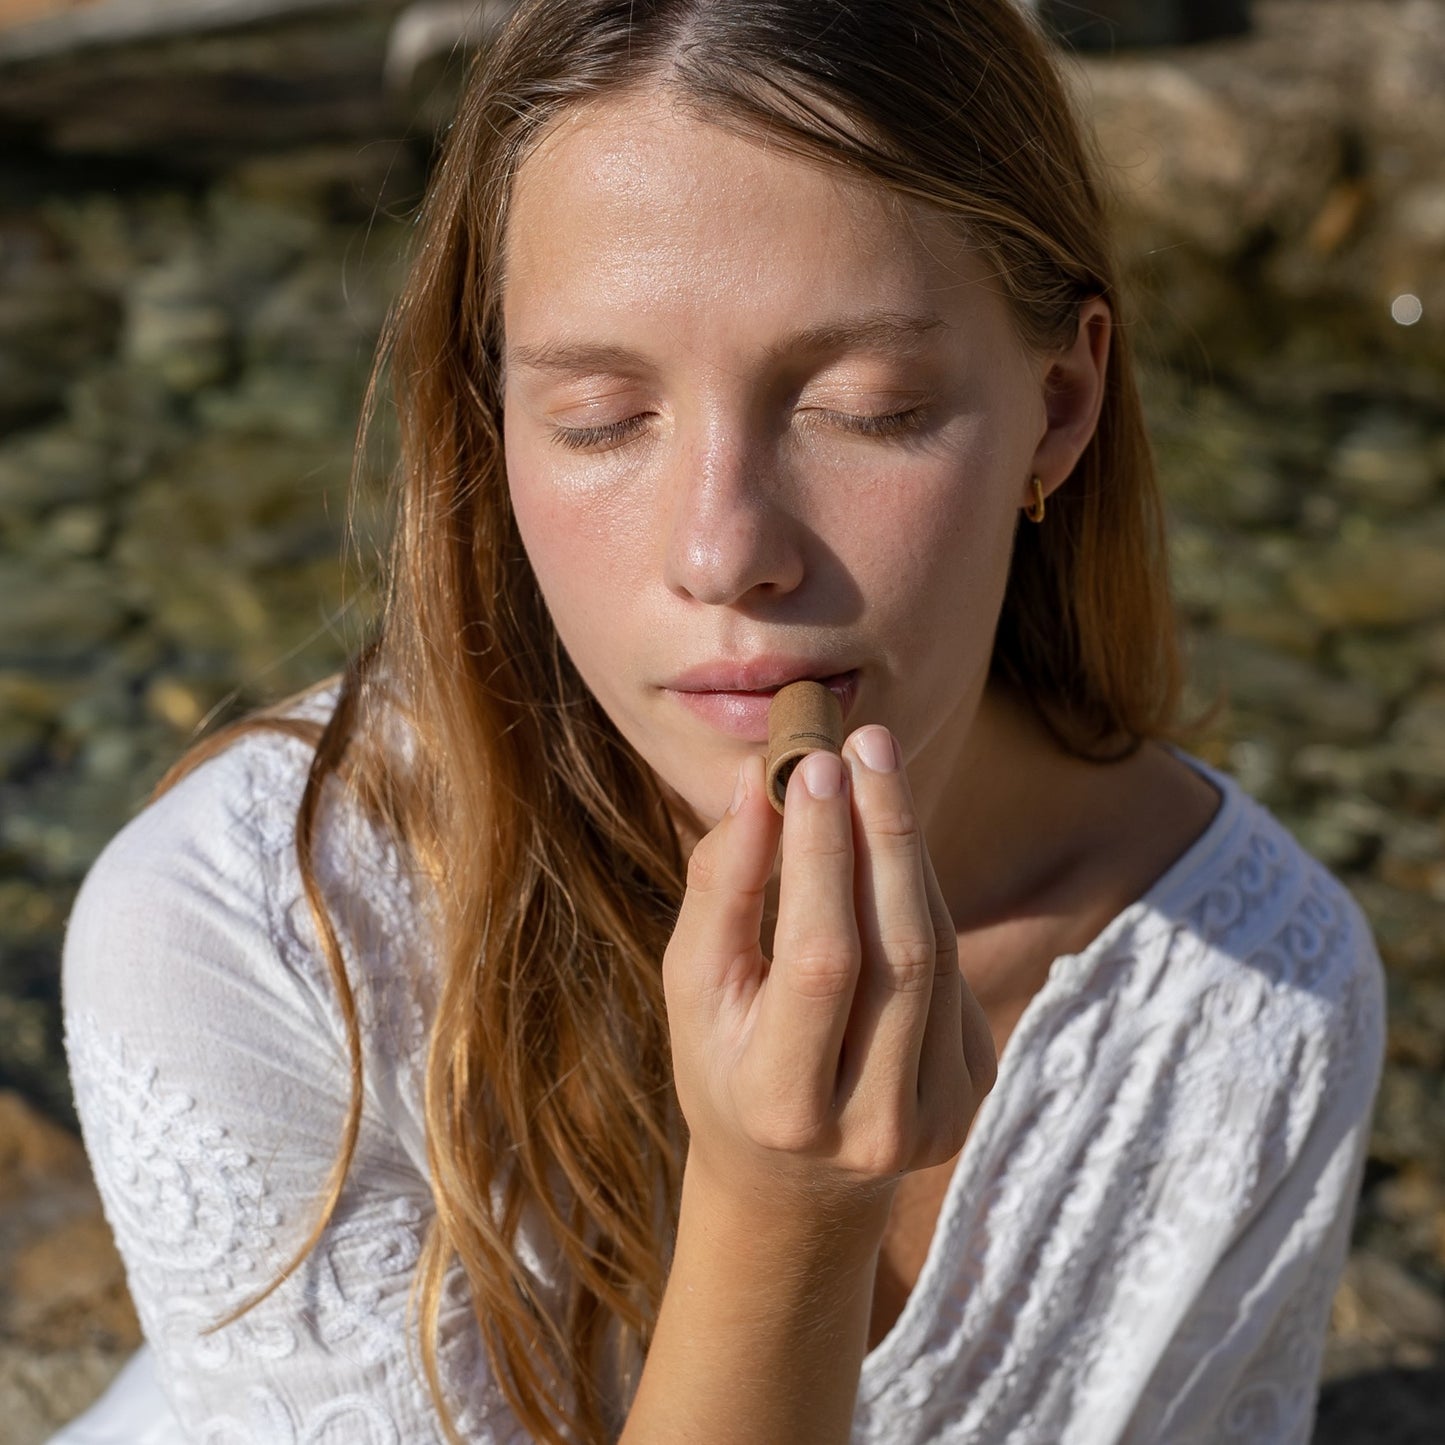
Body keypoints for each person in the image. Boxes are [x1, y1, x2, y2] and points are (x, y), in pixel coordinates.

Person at [54, 2, 1385, 1442]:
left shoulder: (1259, 997)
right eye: (602, 416)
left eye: (863, 406)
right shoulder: (260, 928)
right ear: (491, 421)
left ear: (1057, 407)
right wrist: (780, 1219)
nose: (720, 546)